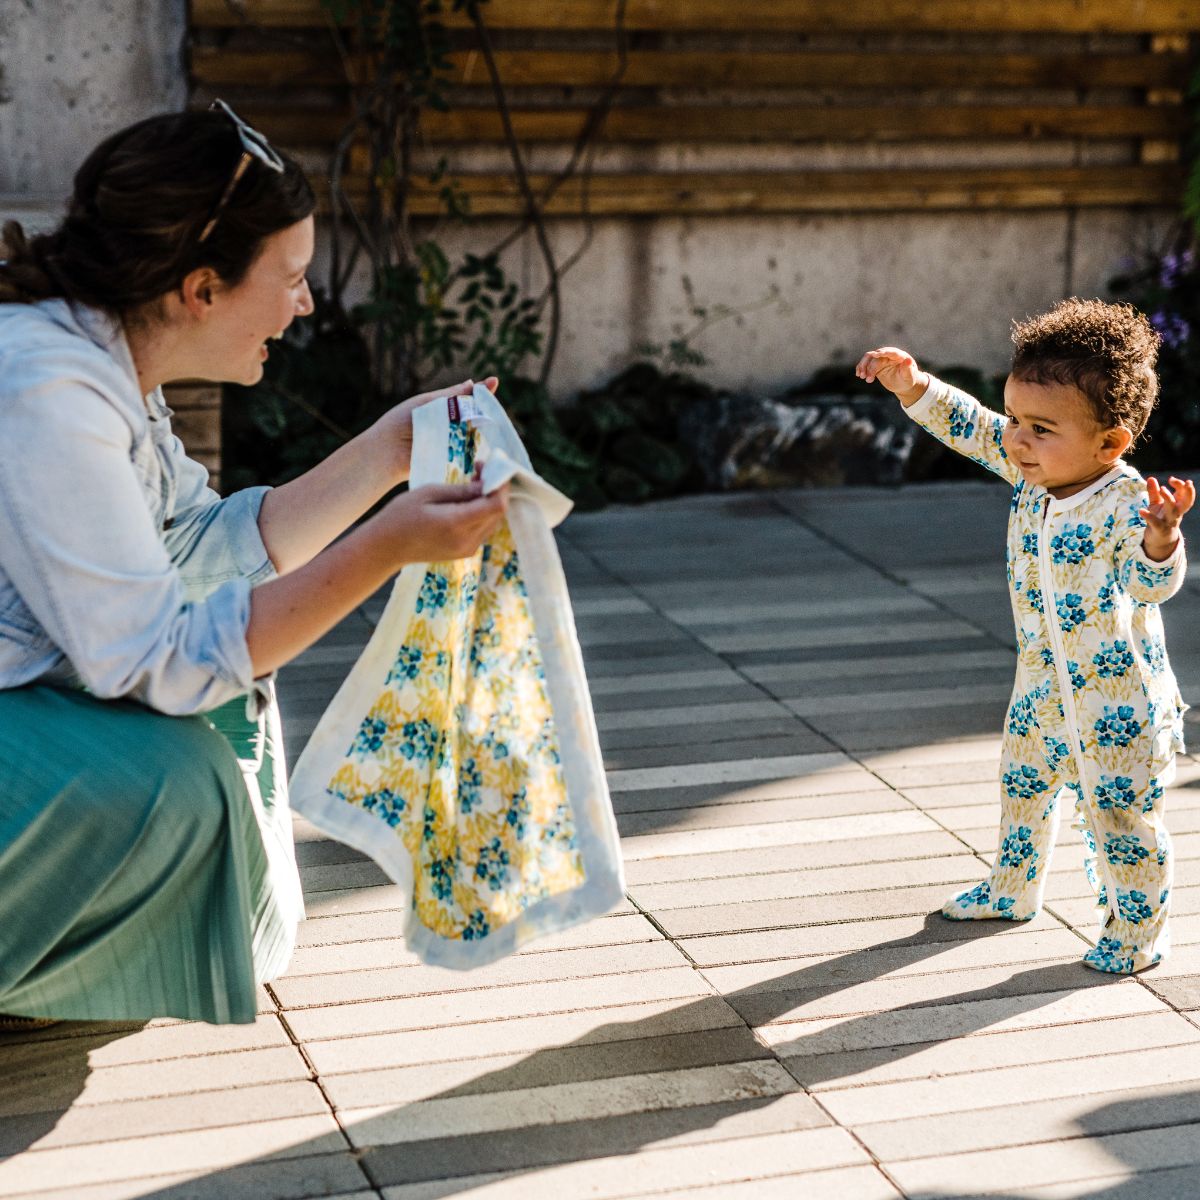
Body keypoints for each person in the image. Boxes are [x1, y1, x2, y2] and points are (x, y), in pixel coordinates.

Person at [0, 102, 509, 1027]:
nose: (306, 304)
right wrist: (385, 546)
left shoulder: (104, 358)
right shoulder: (48, 389)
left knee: (236, 706)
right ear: (201, 288)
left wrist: (388, 454)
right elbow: (156, 658)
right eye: (293, 277)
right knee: (178, 778)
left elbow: (197, 548)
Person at [856, 298, 1194, 974]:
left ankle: (1137, 931)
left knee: (1121, 819)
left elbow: (1149, 585)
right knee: (1021, 788)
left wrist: (1162, 540)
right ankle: (1012, 889)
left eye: (1041, 429)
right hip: (1040, 688)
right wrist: (913, 385)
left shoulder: (1124, 503)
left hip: (1116, 706)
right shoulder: (1032, 474)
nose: (1017, 439)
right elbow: (972, 426)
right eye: (1016, 419)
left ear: (1109, 444)